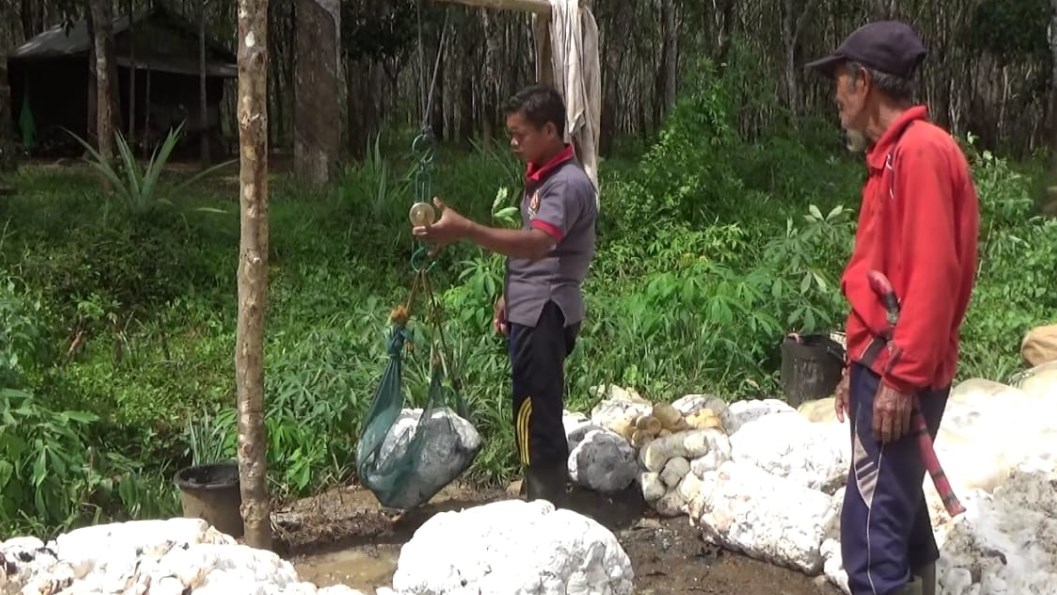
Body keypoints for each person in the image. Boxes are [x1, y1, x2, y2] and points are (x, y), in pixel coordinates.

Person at [806, 21, 980, 595]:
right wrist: (857, 365)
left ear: (863, 82)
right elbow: (888, 278)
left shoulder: (922, 154)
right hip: (881, 363)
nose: (834, 95)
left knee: (871, 539)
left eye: (838, 81)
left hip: (899, 370)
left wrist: (901, 379)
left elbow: (933, 278)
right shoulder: (894, 157)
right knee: (898, 513)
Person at [412, 84, 598, 507]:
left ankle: (548, 505)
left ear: (550, 130)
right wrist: (509, 293)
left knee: (537, 415)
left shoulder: (565, 185)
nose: (513, 143)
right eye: (510, 134)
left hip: (546, 314)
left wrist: (467, 230)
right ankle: (543, 497)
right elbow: (533, 252)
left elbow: (537, 244)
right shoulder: (542, 177)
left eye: (520, 134)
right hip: (531, 307)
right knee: (531, 408)